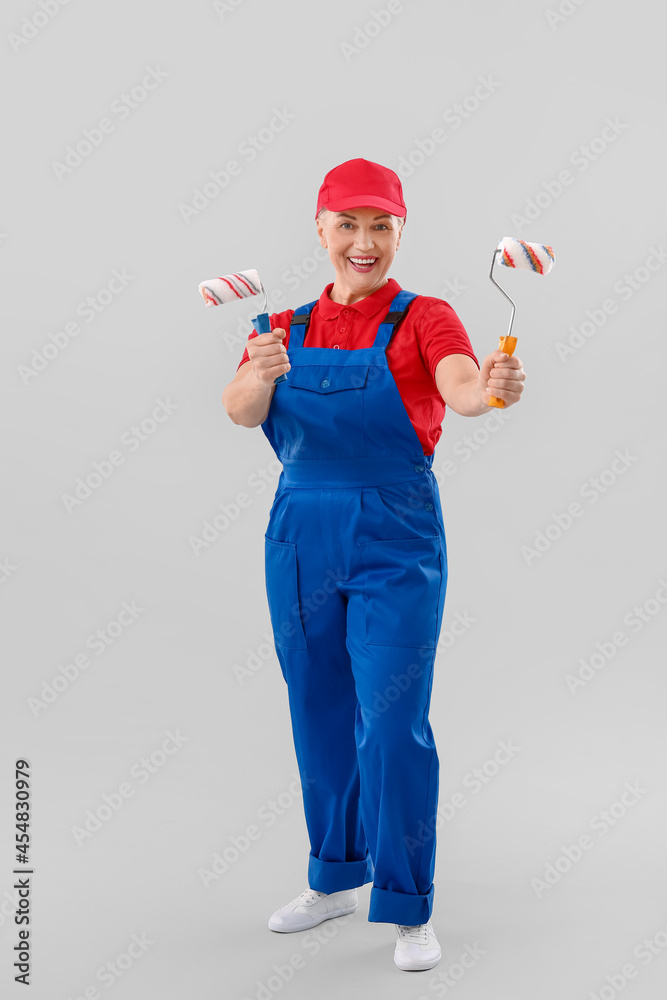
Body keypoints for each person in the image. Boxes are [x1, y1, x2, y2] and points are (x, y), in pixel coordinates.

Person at [222, 157, 526, 972]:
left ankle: (406, 903)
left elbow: (461, 388)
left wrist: (492, 387)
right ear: (320, 230)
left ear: (399, 231)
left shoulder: (426, 317)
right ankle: (332, 878)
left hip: (394, 533)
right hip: (300, 531)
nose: (365, 242)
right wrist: (257, 372)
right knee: (316, 708)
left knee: (391, 722)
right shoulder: (279, 324)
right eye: (348, 224)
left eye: (380, 226)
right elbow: (238, 411)